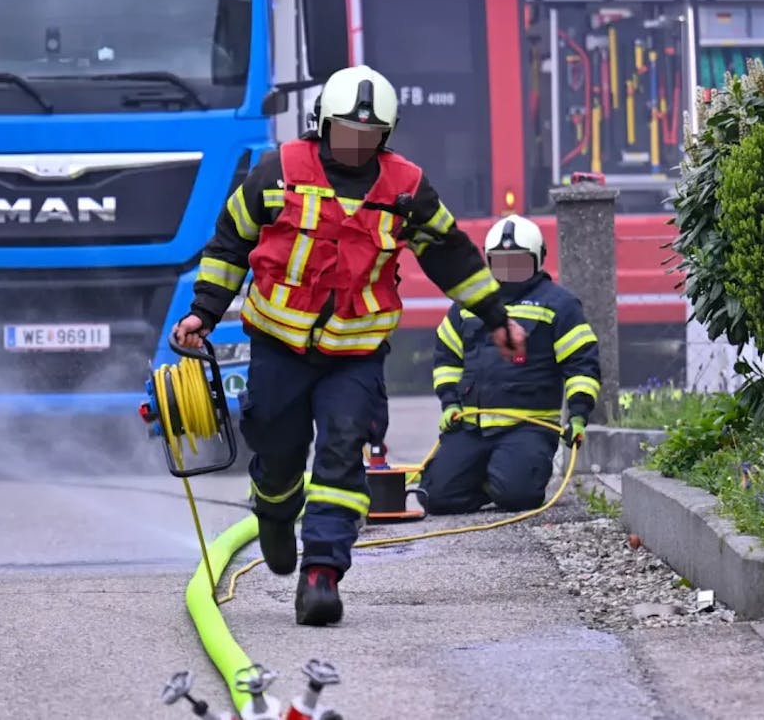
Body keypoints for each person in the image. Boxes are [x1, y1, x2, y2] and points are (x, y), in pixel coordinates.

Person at [170, 64, 528, 627]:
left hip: (355, 355)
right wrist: (204, 312)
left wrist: (495, 316)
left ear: (385, 136)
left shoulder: (406, 188)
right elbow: (231, 242)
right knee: (274, 438)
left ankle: (322, 574)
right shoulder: (279, 171)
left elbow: (450, 255)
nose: (357, 145)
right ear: (323, 126)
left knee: (342, 450)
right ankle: (275, 506)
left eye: (369, 137)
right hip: (279, 345)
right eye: (346, 133)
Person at [418, 213, 602, 515]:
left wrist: (579, 414)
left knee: (518, 497)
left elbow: (581, 362)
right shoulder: (469, 305)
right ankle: (485, 477)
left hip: (528, 427)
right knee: (436, 498)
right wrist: (450, 404)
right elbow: (447, 356)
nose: (509, 270)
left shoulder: (559, 305)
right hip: (472, 425)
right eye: (501, 262)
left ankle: (504, 478)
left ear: (538, 260)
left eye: (518, 262)